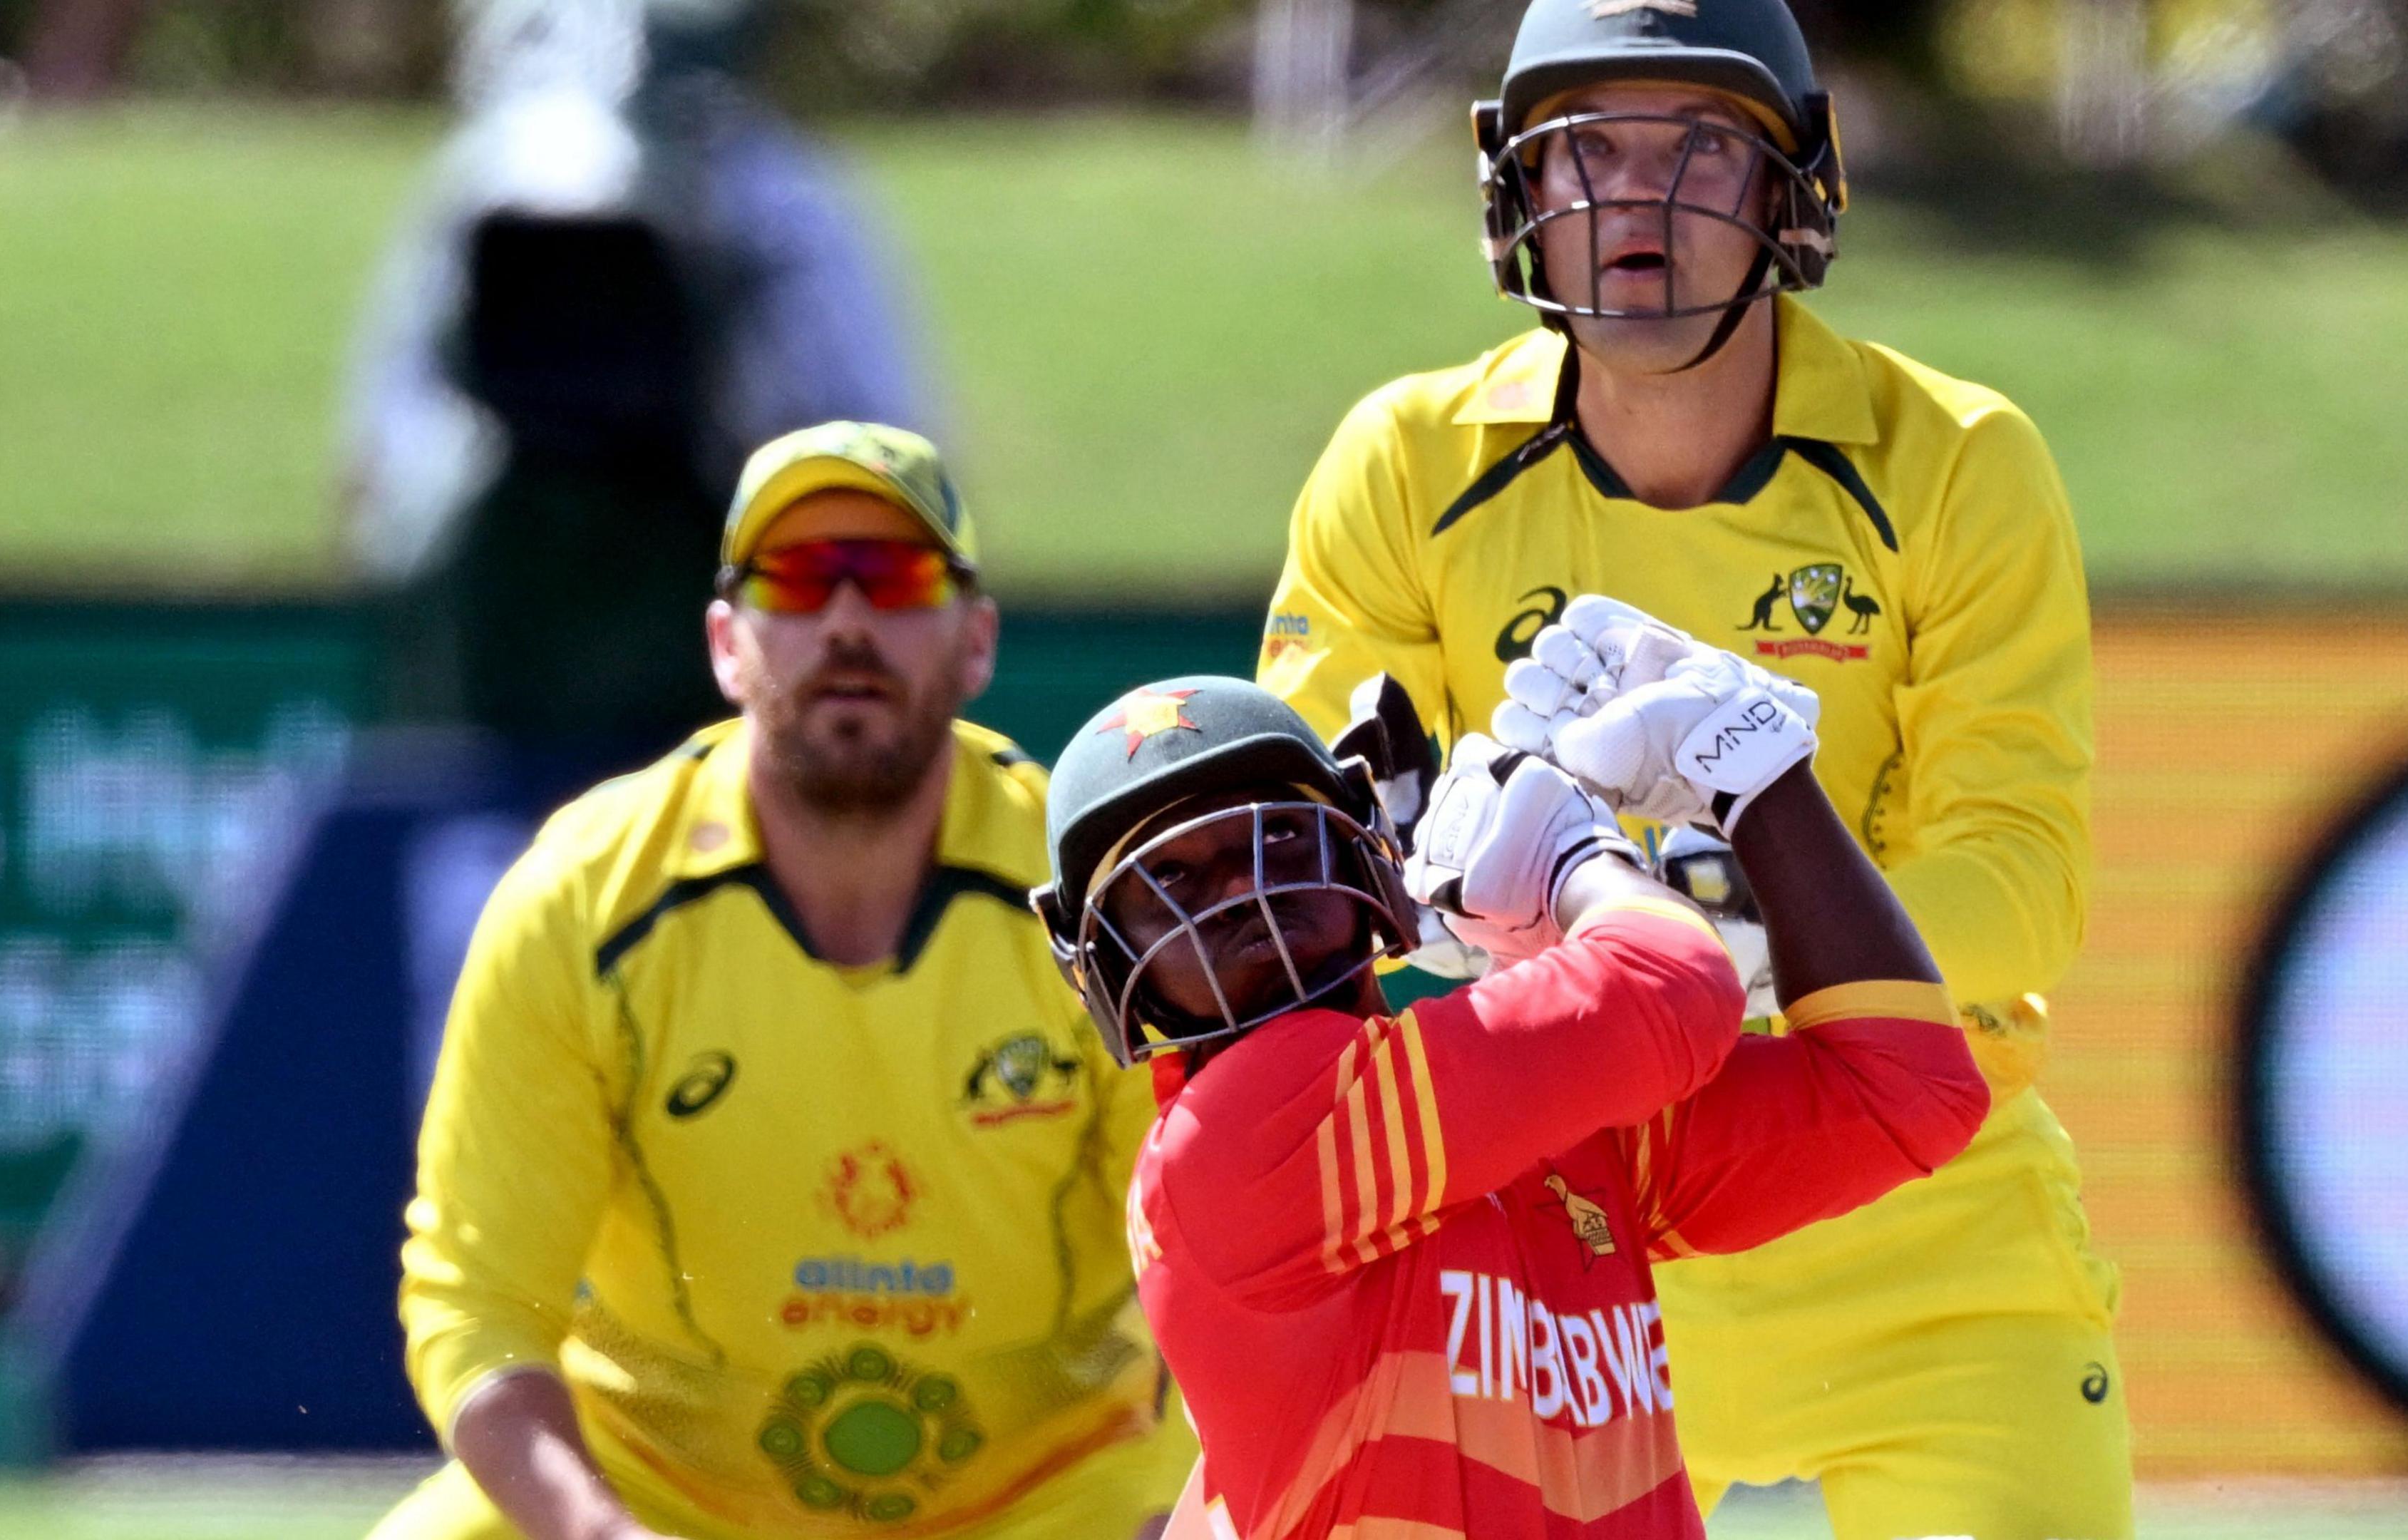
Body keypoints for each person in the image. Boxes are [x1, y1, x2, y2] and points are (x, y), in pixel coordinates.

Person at [1253, 1, 2121, 1535]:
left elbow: (2025, 881)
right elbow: (1309, 860)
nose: (1634, 200)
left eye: (1702, 148)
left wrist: (1719, 949)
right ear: (1515, 191)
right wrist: (1436, 889)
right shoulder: (1404, 464)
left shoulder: (1958, 461)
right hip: (1567, 1248)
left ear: (1797, 191)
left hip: (1928, 1219)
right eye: (1587, 148)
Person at [372, 423, 1190, 1540]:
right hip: (659, 1494)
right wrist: (603, 1533)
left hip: (1050, 1502)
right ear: (725, 641)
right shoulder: (581, 901)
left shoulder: (1093, 903)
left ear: (978, 642)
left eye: (896, 579)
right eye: (799, 581)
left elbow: (1224, 1271)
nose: (847, 624)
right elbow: (476, 1299)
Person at [1029, 651, 1988, 1539]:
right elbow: (1675, 990)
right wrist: (1574, 859)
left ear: (1365, 848)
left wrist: (1758, 775)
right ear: (1105, 956)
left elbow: (1906, 1089)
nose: (1242, 888)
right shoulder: (1228, 1142)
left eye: (1278, 833)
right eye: (1171, 878)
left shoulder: (1510, 1107)